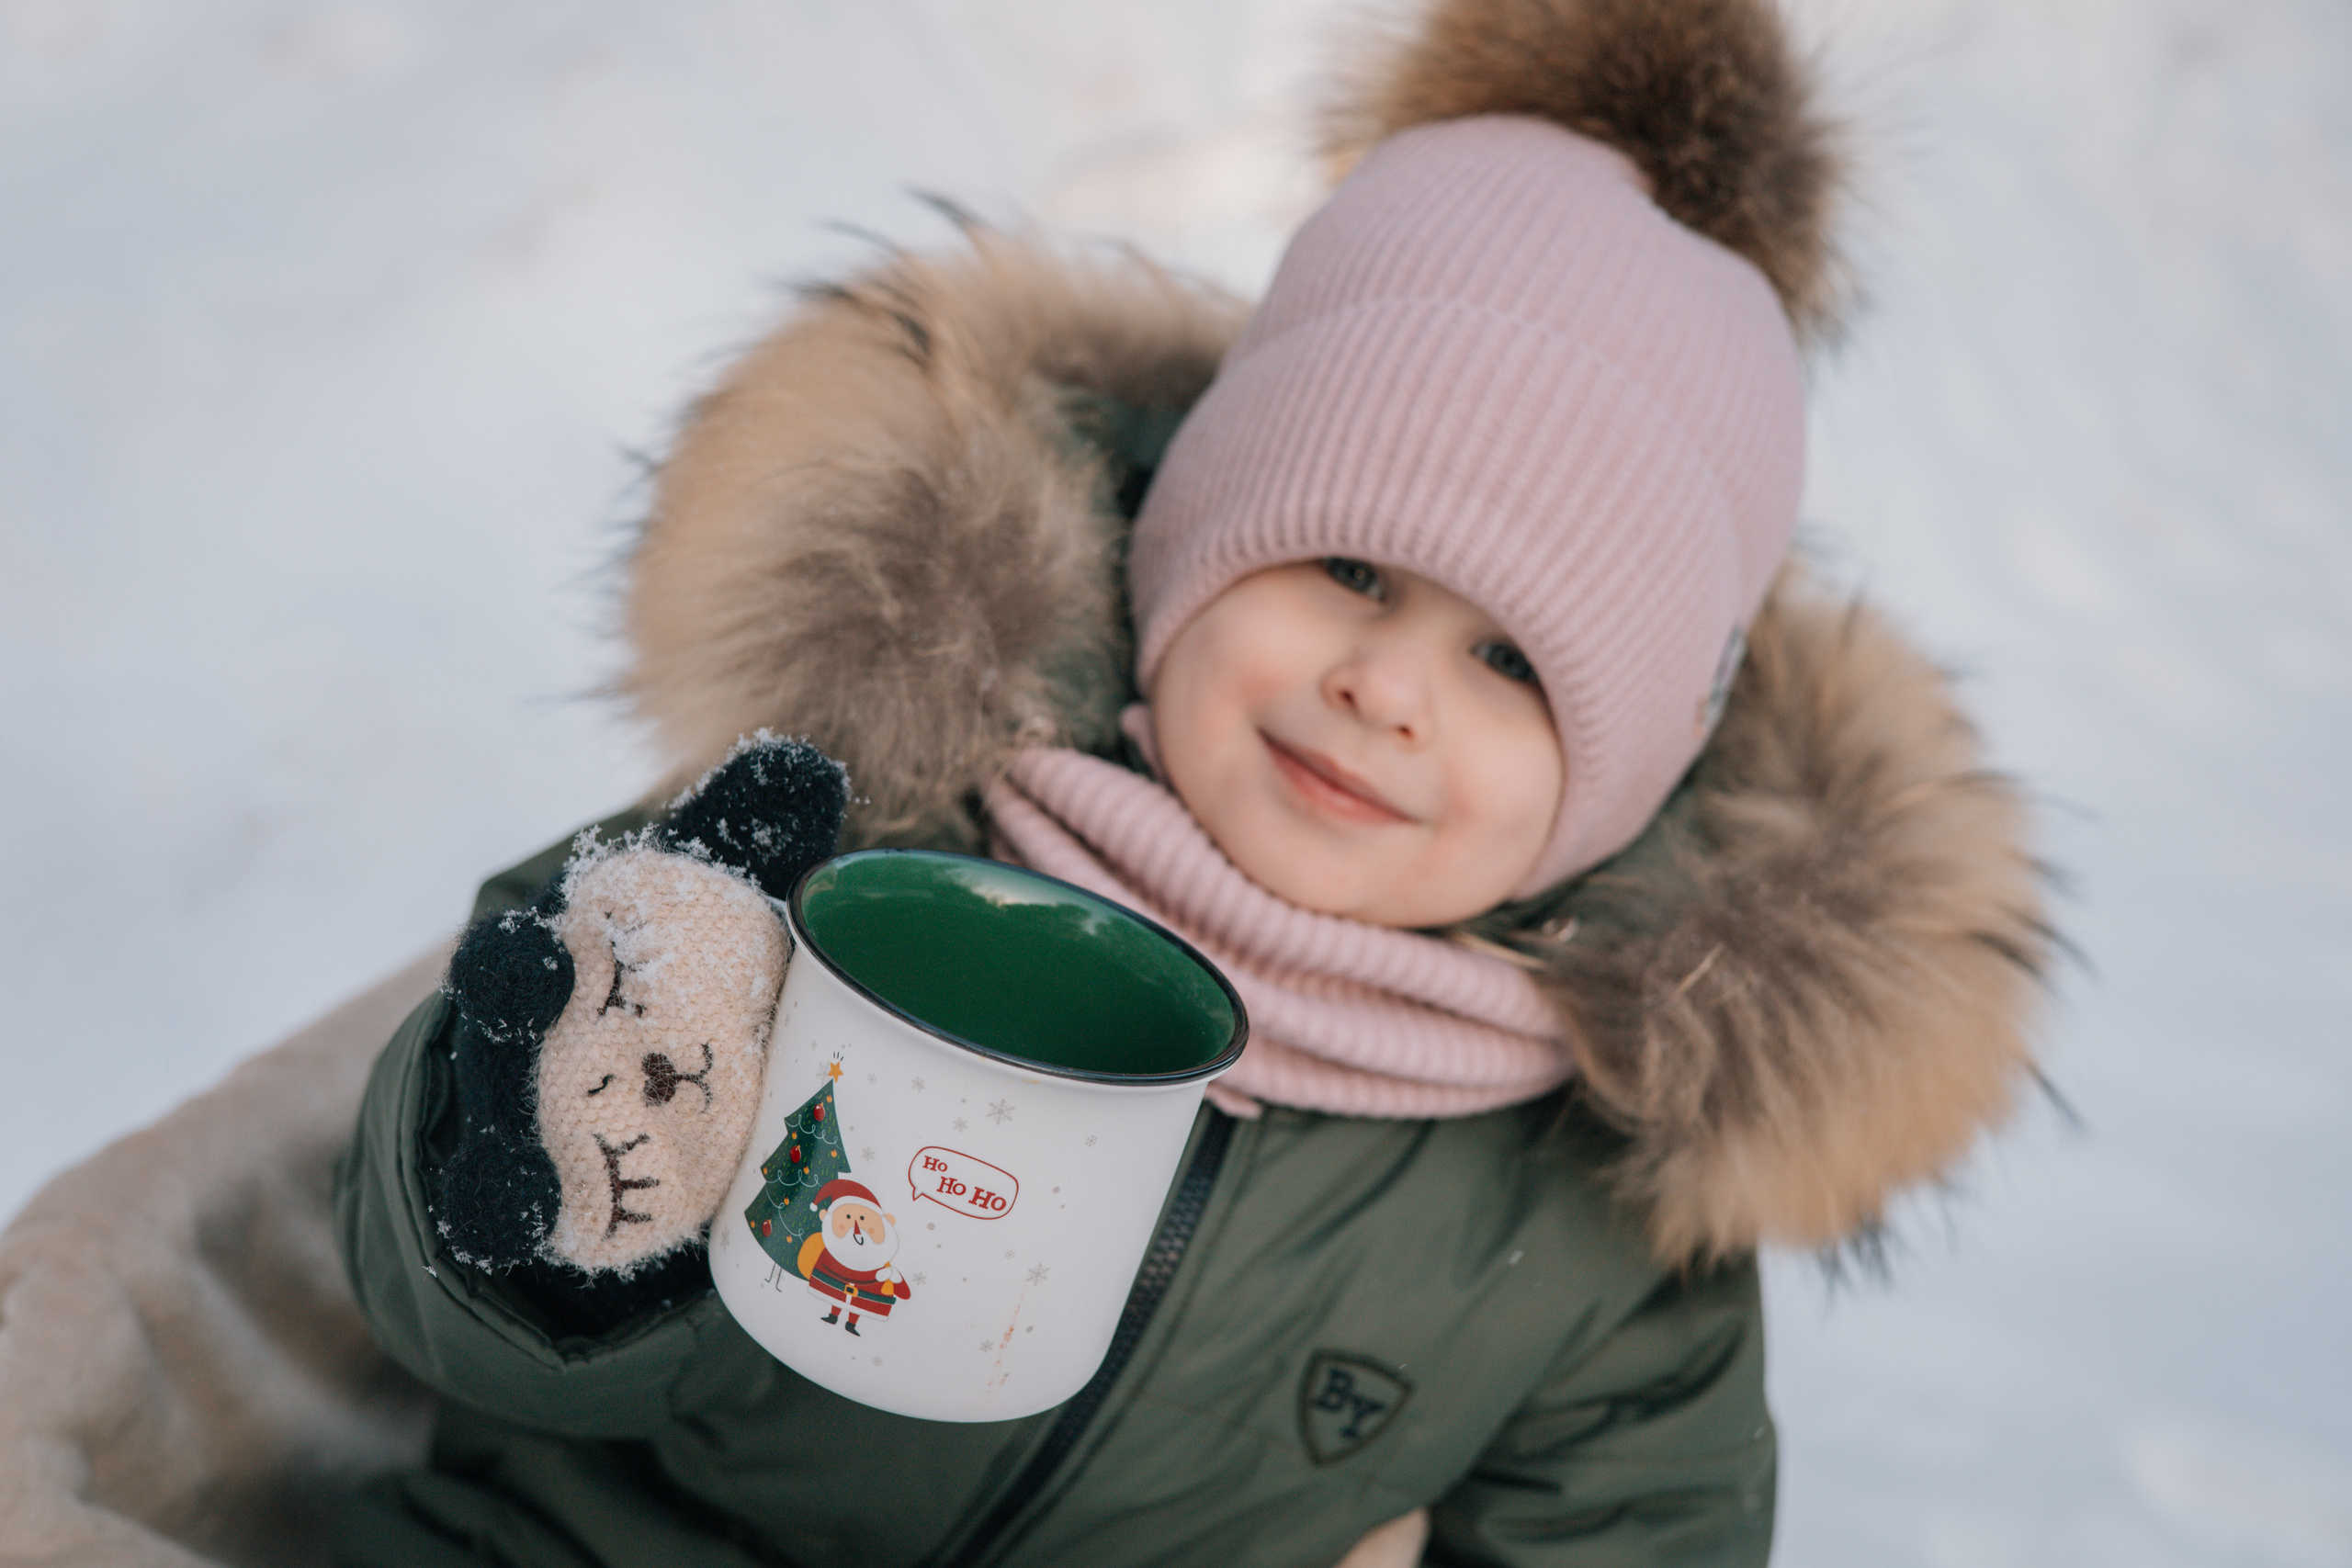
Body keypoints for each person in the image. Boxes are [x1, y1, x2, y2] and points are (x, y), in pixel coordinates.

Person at [334, 0, 2052, 1562]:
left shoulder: (1591, 1205)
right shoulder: (862, 834)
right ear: (1187, 535)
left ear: (1636, 773)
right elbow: (460, 1250)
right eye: (1349, 572)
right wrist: (555, 1203)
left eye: (1513, 662)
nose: (1384, 688)